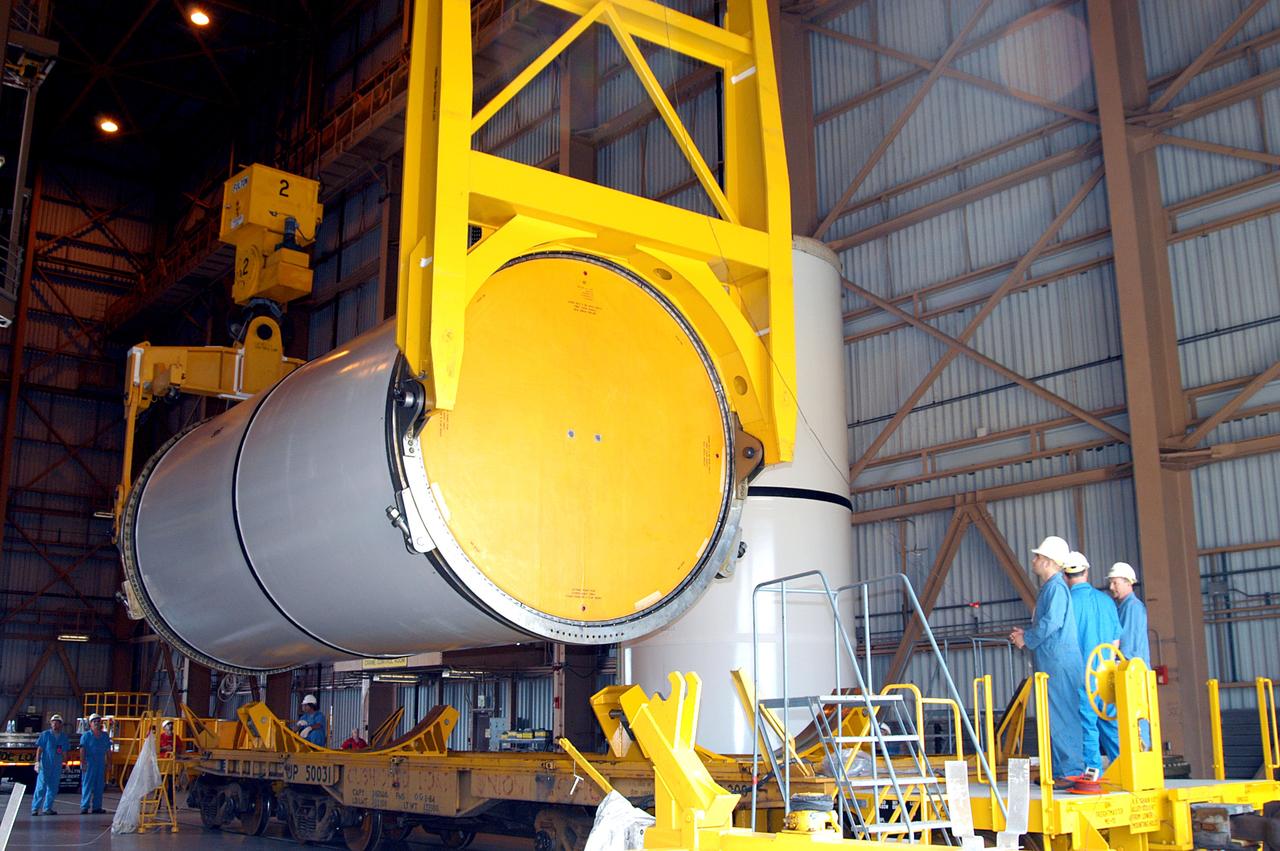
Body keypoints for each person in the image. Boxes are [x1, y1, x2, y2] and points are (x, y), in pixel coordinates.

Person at [1010, 535, 1085, 786]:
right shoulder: (1052, 588)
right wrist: (1027, 636)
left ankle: (1071, 770)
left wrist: (1027, 640)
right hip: (1053, 661)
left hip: (1058, 663)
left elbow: (1052, 622)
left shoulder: (1055, 588)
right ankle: (1058, 770)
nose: (1034, 560)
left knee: (1061, 713)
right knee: (1052, 715)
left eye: (1038, 557)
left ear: (1050, 562)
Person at [1063, 551, 1121, 767]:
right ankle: (1122, 770)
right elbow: (1115, 643)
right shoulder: (1106, 602)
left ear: (1065, 576)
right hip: (1106, 678)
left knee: (1087, 727)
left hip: (1082, 677)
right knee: (1111, 727)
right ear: (1086, 571)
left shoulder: (1067, 604)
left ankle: (1092, 774)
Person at [1109, 563, 1150, 665]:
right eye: (1110, 583)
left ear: (1128, 583)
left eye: (1115, 583)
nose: (1111, 587)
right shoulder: (1124, 607)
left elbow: (1128, 646)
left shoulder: (1132, 607)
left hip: (1133, 672)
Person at [31, 713, 69, 816]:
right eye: (53, 722)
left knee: (53, 787)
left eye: (57, 723)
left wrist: (66, 763)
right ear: (51, 724)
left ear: (61, 725)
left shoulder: (63, 737)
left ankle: (47, 808)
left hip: (56, 766)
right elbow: (40, 749)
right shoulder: (45, 735)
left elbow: (64, 751)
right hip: (45, 765)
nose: (55, 724)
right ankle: (35, 808)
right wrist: (37, 762)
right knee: (41, 787)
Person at [79, 713, 112, 814]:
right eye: (94, 721)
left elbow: (108, 751)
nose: (97, 723)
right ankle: (84, 806)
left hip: (100, 764)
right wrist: (82, 762)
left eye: (98, 721)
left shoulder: (105, 736)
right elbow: (82, 750)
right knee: (87, 785)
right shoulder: (86, 736)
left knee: (99, 785)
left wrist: (109, 763)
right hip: (89, 764)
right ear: (90, 724)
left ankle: (97, 807)